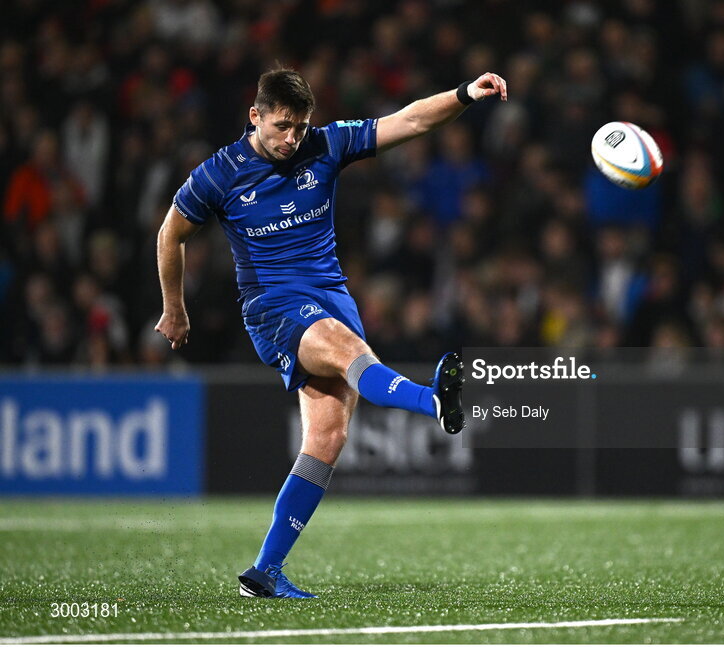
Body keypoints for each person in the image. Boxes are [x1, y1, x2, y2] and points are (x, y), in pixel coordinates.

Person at [155, 68, 507, 598]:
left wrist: (463, 94)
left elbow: (410, 121)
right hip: (274, 307)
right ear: (255, 116)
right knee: (351, 352)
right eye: (281, 126)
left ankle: (264, 572)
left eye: (300, 126)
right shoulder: (219, 173)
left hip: (332, 297)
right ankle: (431, 400)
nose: (292, 138)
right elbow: (171, 233)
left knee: (328, 437)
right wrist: (174, 307)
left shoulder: (326, 144)